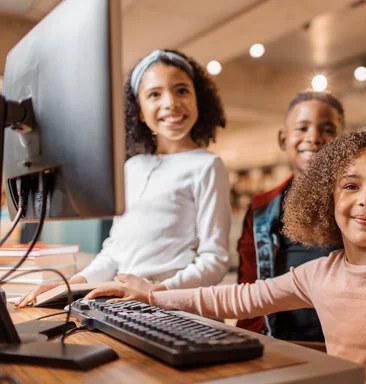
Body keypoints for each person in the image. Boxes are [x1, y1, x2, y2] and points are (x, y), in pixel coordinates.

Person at [87, 132, 366, 383]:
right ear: (326, 201)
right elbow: (238, 300)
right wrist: (151, 296)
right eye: (350, 186)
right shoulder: (319, 274)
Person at [17, 49, 230, 307]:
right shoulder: (133, 167)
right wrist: (71, 284)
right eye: (154, 94)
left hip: (176, 306)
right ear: (139, 111)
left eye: (182, 90)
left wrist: (155, 290)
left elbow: (215, 260)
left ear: (198, 99)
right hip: (127, 302)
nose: (171, 102)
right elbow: (115, 252)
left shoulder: (207, 165)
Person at [236, 90, 344, 341]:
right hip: (281, 342)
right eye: (302, 128)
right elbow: (249, 287)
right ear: (283, 139)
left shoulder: (359, 204)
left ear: (343, 141)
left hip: (347, 344)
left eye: (328, 129)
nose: (314, 138)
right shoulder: (261, 209)